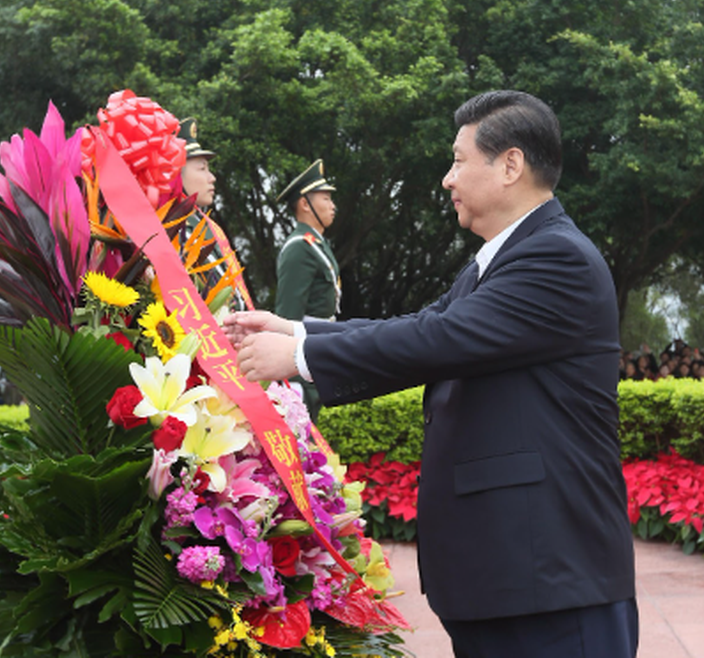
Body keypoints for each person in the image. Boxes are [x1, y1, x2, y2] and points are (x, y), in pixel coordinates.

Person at [227, 91, 638, 658]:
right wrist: (295, 330)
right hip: (513, 578)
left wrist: (298, 360)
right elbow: (427, 324)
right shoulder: (502, 258)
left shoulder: (555, 257)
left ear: (510, 165)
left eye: (458, 160)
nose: (447, 179)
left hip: (549, 583)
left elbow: (435, 340)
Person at [273, 159, 342, 420]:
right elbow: (288, 314)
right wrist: (292, 376)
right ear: (305, 204)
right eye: (325, 198)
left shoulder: (316, 244)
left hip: (319, 347)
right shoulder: (299, 247)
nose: (333, 206)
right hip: (304, 356)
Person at [176, 117, 254, 311]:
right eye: (202, 169)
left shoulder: (201, 222)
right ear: (176, 173)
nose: (212, 178)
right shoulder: (173, 227)